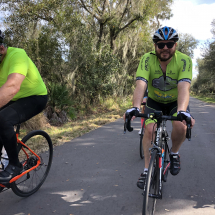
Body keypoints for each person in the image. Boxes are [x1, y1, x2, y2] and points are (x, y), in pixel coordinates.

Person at [124, 26, 195, 189]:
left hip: (175, 102)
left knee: (180, 126)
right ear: (155, 45)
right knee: (149, 131)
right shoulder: (147, 59)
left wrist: (183, 111)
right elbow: (141, 84)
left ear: (175, 46)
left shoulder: (184, 60)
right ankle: (146, 170)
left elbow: (184, 87)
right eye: (161, 44)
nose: (165, 48)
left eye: (169, 44)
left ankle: (175, 153)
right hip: (154, 101)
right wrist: (135, 107)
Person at [0, 30, 48, 182]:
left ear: (1, 48)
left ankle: (15, 165)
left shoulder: (17, 55)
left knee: (3, 119)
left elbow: (12, 86)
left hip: (35, 97)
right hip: (14, 99)